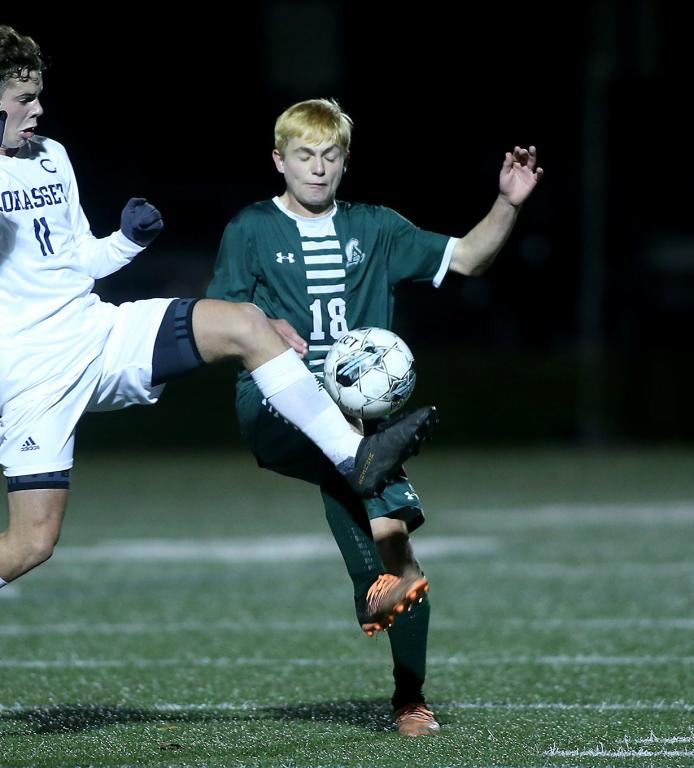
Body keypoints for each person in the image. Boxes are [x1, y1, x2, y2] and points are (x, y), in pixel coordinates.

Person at [0, 26, 439, 733]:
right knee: (31, 544)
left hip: (98, 333)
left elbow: (78, 261)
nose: (39, 110)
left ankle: (358, 457)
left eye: (39, 96)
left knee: (243, 324)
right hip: (34, 375)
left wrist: (123, 244)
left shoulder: (52, 156)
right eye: (25, 98)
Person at [206, 98, 543, 736]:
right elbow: (216, 317)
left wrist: (509, 202)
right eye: (304, 156)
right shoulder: (250, 227)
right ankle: (382, 581)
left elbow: (468, 258)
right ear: (279, 161)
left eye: (330, 157)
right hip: (274, 403)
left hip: (358, 424)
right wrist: (266, 325)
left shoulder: (377, 228)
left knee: (394, 541)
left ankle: (407, 690)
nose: (318, 169)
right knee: (359, 462)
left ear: (345, 162)